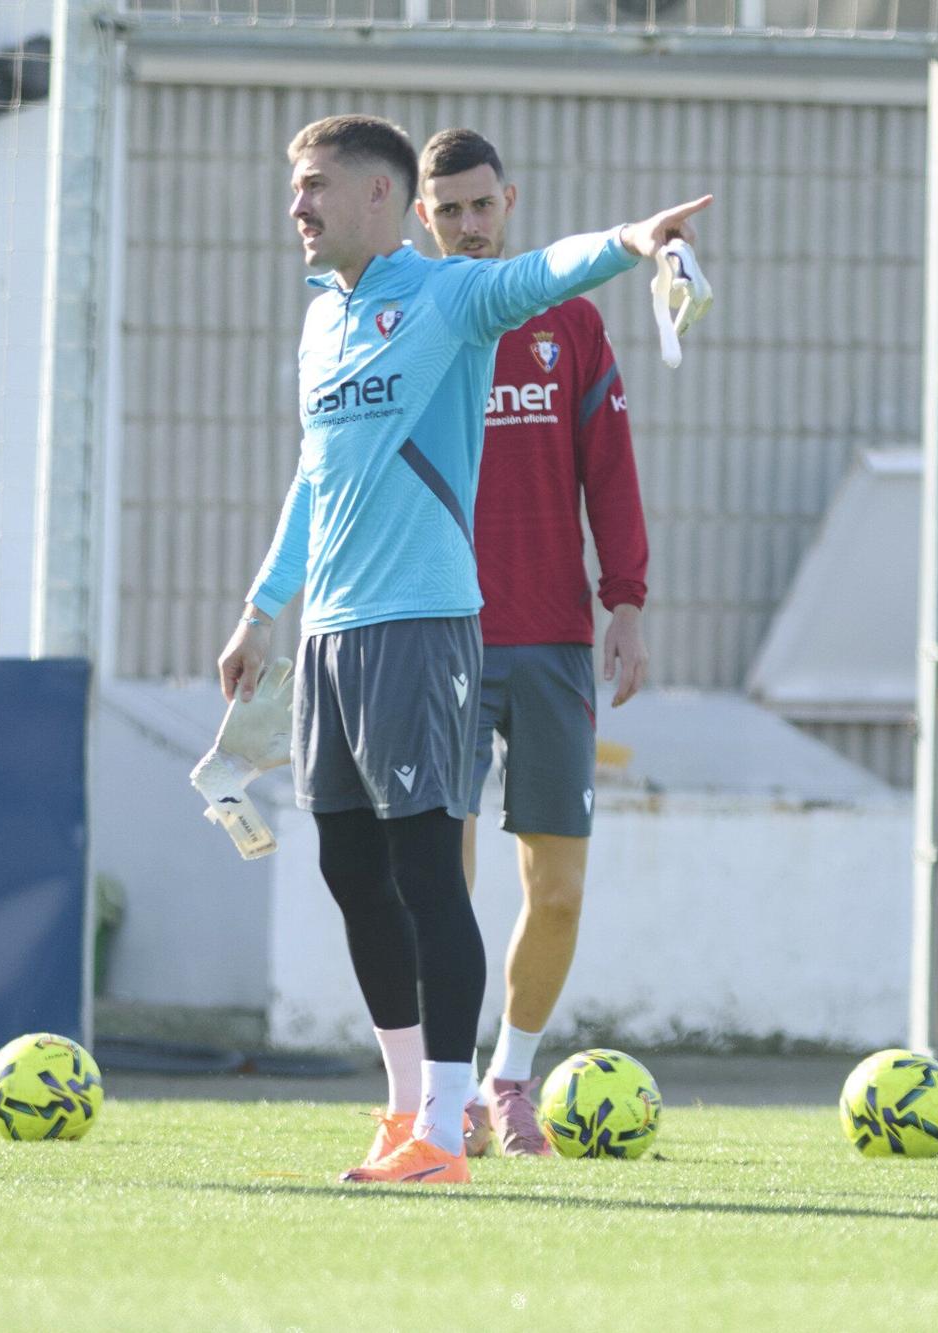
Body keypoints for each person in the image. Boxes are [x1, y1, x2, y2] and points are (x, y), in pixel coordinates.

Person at [216, 112, 706, 1185]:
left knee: (428, 869)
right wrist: (262, 608)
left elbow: (539, 273)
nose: (294, 207)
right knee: (351, 867)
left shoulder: (444, 298)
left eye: (313, 187)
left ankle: (450, 1121)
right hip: (331, 632)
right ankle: (402, 1112)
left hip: (423, 626)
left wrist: (630, 240)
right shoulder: (321, 323)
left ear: (378, 197)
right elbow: (314, 477)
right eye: (292, 189)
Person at [414, 128, 649, 1157]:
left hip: (553, 642)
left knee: (554, 888)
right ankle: (442, 1089)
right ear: (421, 217)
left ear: (508, 202)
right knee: (439, 883)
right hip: (434, 637)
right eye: (448, 210)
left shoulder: (571, 326)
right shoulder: (407, 324)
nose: (467, 226)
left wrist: (625, 600)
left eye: (481, 206)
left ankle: (511, 1078)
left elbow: (610, 467)